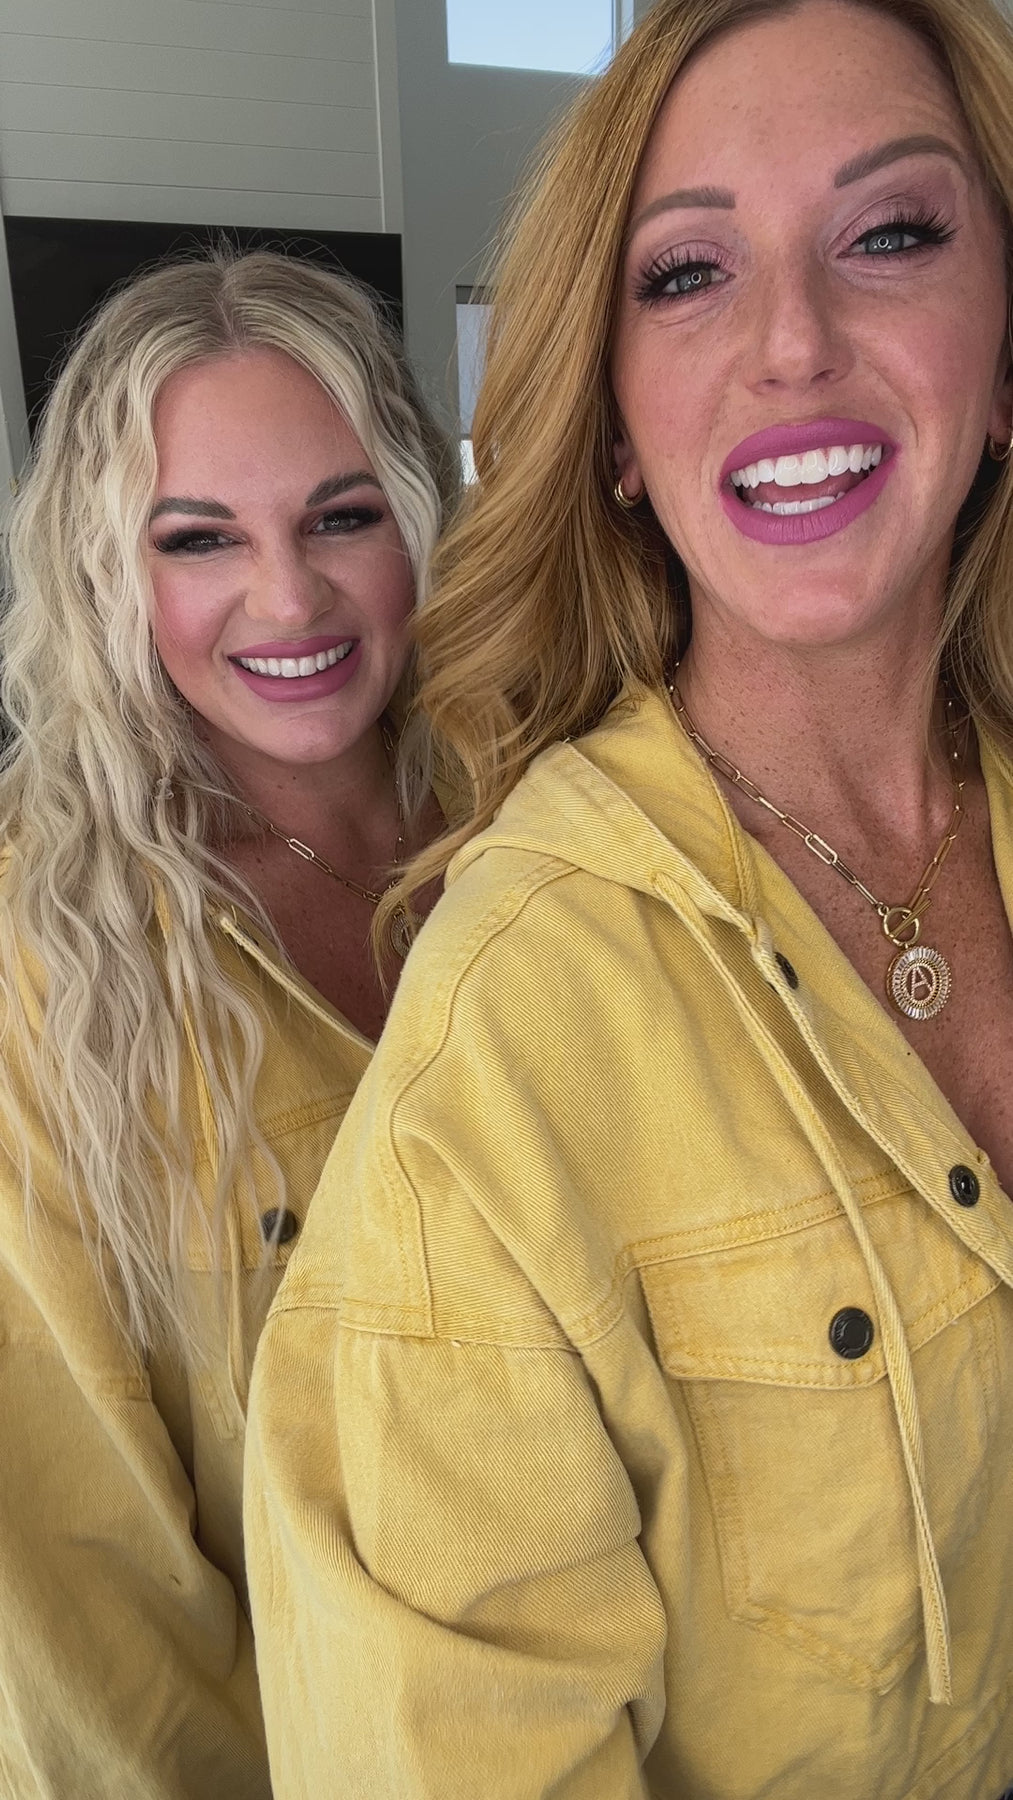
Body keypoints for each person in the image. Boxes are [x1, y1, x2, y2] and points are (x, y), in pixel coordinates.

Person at [244, 0, 1013, 1794]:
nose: (790, 342)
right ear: (608, 424)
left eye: (889, 234)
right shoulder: (500, 1046)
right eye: (685, 275)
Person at [0, 248, 452, 1798]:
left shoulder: (547, 825)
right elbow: (79, 1584)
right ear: (104, 573)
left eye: (341, 515)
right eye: (198, 538)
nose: (289, 597)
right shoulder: (42, 960)